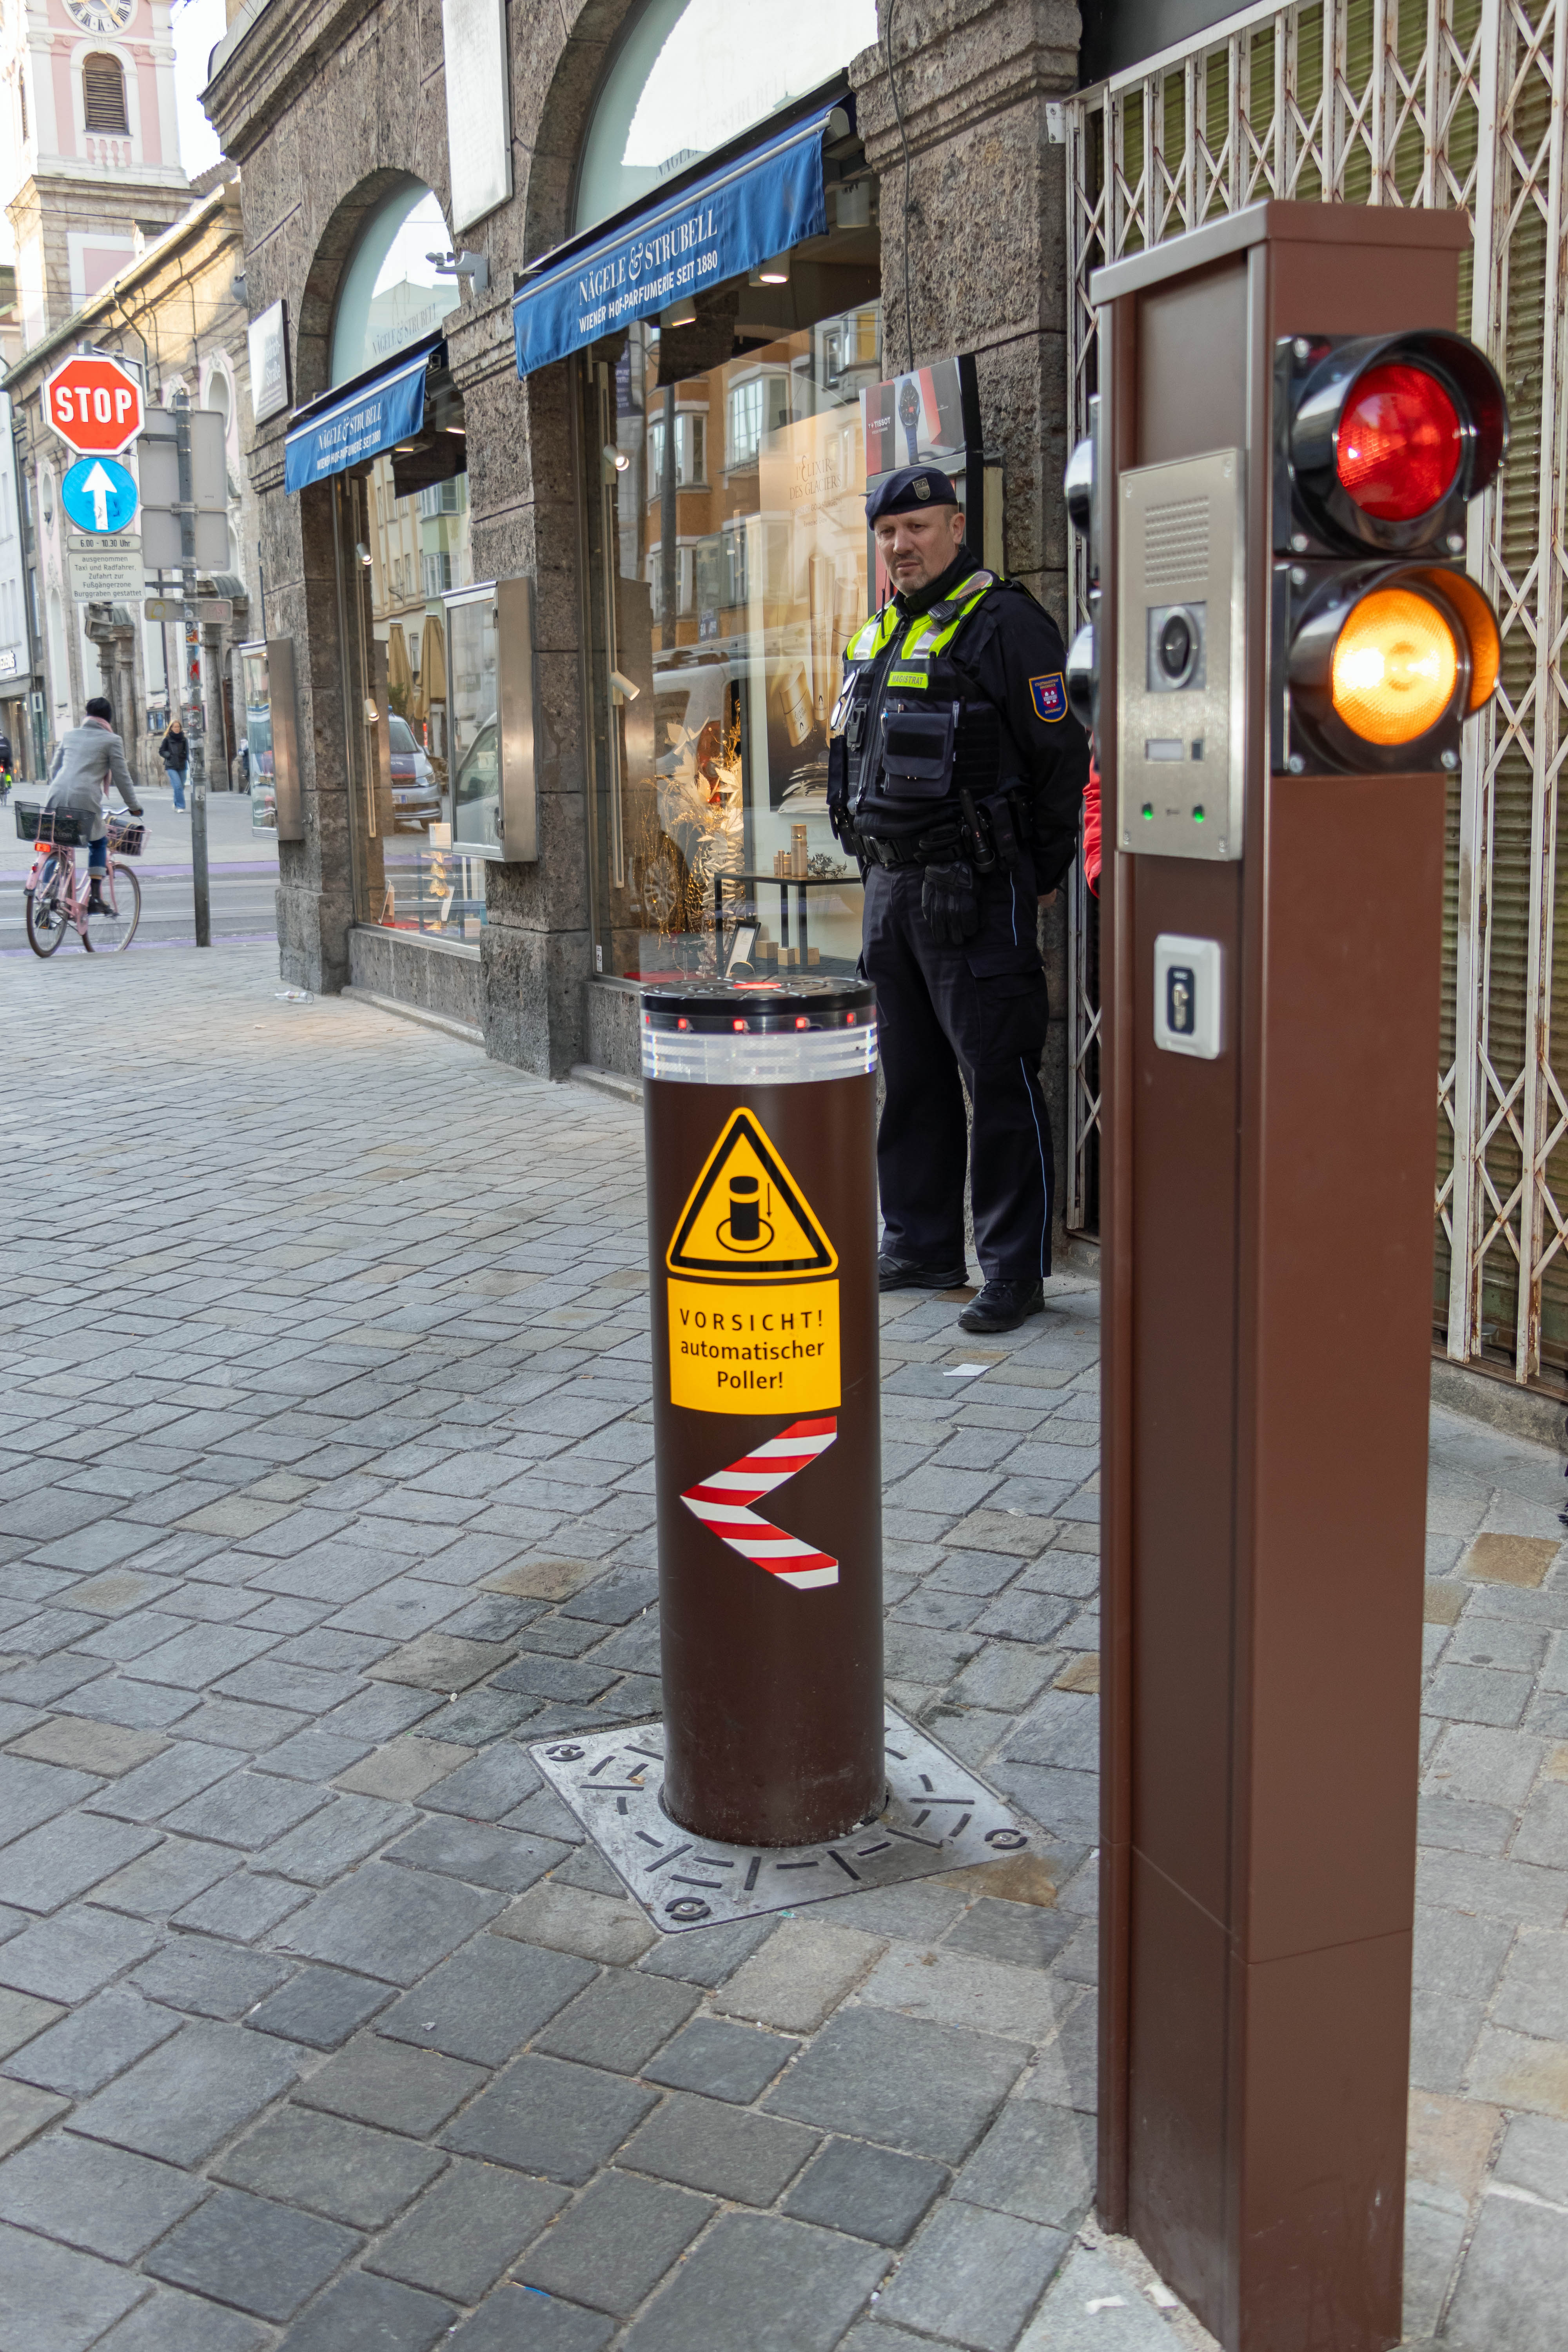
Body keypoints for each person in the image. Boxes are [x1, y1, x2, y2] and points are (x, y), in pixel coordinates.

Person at [828, 466, 1090, 1333]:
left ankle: (1013, 1269)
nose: (900, 546)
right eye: (887, 533)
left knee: (999, 1077)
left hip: (974, 890)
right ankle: (921, 1243)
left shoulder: (1007, 623)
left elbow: (1060, 761)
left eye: (917, 528)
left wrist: (1036, 872)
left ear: (955, 526)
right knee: (910, 1077)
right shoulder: (879, 632)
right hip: (890, 888)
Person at [46, 697, 143, 916]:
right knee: (99, 842)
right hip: (85, 799)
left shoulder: (70, 735)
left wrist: (61, 788)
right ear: (108, 719)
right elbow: (122, 776)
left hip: (56, 794)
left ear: (87, 715)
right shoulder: (112, 740)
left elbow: (54, 769)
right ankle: (96, 897)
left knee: (56, 843)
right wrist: (134, 806)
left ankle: (46, 893)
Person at [159, 716, 190, 812]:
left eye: (178, 727)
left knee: (181, 786)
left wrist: (188, 761)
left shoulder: (184, 740)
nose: (177, 729)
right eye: (175, 727)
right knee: (178, 786)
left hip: (182, 765)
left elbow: (188, 752)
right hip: (171, 766)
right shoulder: (167, 740)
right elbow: (162, 751)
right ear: (171, 728)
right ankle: (180, 807)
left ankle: (176, 802)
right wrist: (169, 755)